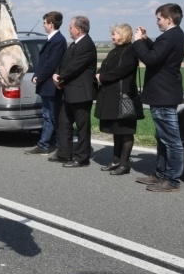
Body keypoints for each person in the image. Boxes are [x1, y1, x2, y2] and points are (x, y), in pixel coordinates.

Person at [132, 3, 184, 192]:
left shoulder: (170, 37)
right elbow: (157, 53)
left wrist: (138, 42)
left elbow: (150, 59)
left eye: (159, 19)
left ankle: (172, 180)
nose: (157, 22)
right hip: (164, 93)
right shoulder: (174, 35)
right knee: (163, 138)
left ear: (169, 19)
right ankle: (160, 174)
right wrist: (146, 39)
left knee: (171, 140)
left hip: (163, 94)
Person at [48, 15, 97, 167]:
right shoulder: (74, 44)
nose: (69, 30)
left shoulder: (86, 45)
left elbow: (75, 66)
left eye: (71, 27)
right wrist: (57, 74)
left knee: (82, 127)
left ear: (78, 29)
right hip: (69, 92)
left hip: (81, 94)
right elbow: (63, 63)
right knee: (64, 123)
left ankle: (81, 158)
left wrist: (60, 77)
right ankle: (64, 153)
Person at [94, 23, 139, 175]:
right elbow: (105, 67)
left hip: (124, 98)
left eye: (114, 34)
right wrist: (98, 74)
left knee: (125, 131)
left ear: (123, 35)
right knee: (117, 131)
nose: (112, 36)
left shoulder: (130, 51)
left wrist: (102, 77)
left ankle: (124, 164)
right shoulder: (115, 51)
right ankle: (115, 160)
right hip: (113, 98)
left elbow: (121, 71)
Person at [25, 11, 68, 155]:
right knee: (47, 116)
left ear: (51, 24)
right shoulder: (52, 39)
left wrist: (39, 77)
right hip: (46, 84)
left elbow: (51, 63)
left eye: (45, 23)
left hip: (51, 85)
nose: (43, 25)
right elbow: (43, 62)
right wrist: (36, 75)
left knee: (53, 116)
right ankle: (45, 145)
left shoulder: (58, 40)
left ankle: (59, 146)